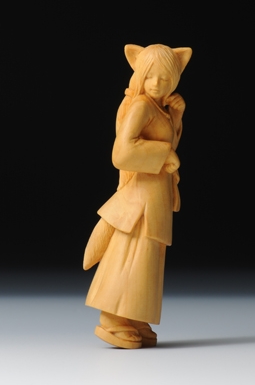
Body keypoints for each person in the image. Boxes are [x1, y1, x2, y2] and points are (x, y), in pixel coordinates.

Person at [83, 44, 192, 349]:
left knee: (147, 257)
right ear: (139, 73)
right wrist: (163, 153)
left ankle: (134, 315)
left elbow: (165, 143)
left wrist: (177, 118)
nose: (157, 84)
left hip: (156, 194)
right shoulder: (141, 106)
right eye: (150, 76)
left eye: (165, 78)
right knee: (130, 254)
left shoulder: (159, 108)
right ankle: (113, 318)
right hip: (141, 195)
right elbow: (121, 153)